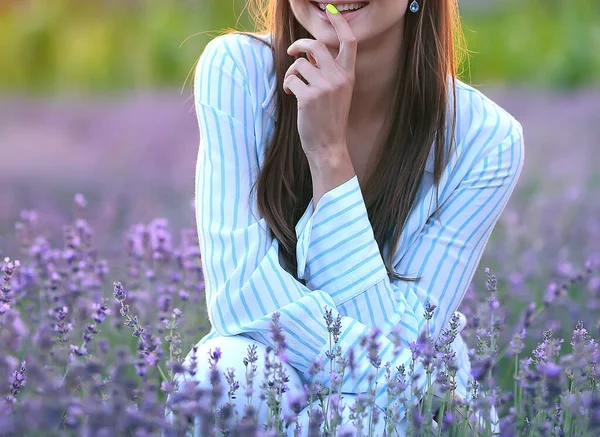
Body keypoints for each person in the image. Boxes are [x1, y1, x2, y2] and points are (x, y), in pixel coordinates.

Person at [165, 0, 524, 435]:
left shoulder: (484, 141)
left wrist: (329, 156)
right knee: (218, 379)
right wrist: (415, 385)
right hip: (408, 387)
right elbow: (240, 295)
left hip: (393, 410)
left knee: (360, 422)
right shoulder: (238, 72)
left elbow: (406, 339)